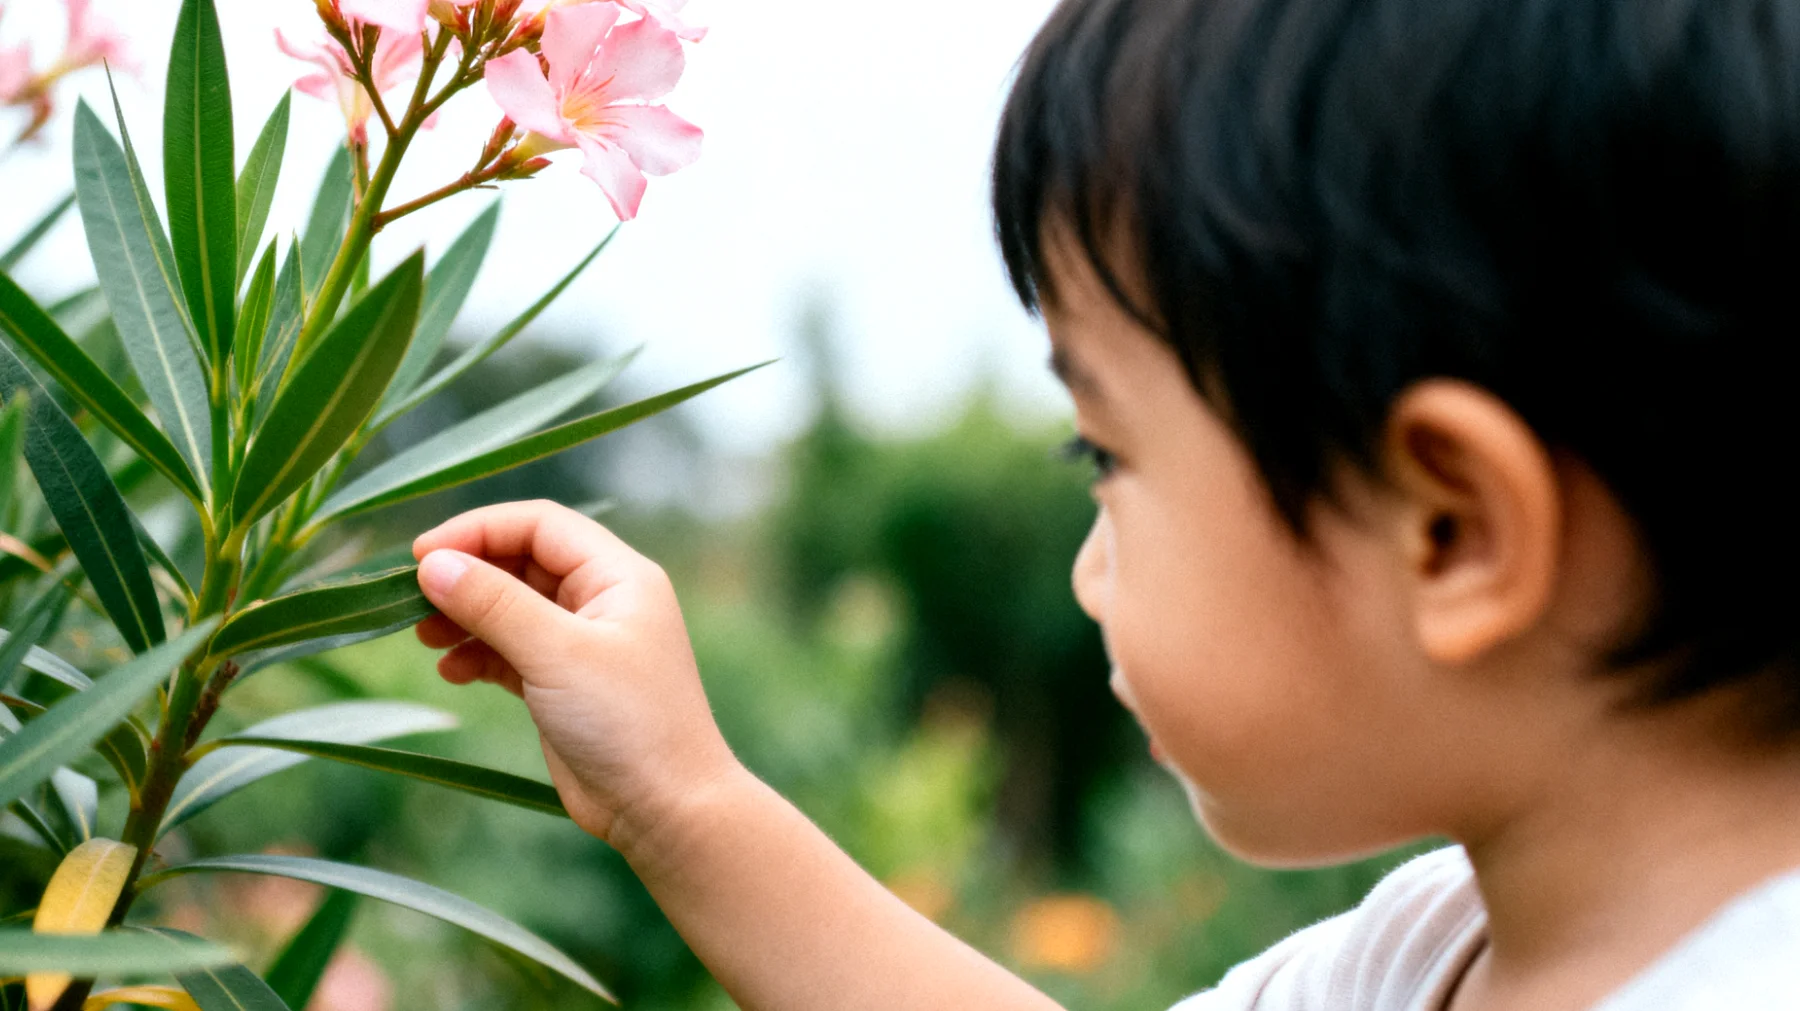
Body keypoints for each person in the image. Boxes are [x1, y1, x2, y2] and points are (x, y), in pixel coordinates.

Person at [409, 0, 1800, 1006]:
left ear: (1452, 531)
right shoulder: (1436, 952)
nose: (1090, 570)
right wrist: (680, 798)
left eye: (1107, 457)